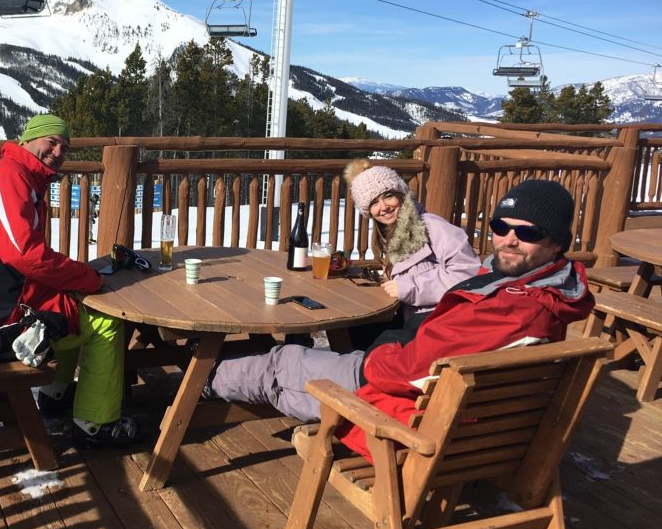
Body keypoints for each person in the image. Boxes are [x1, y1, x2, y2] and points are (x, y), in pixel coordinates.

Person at [208, 179, 595, 459]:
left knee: (284, 361)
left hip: (408, 418)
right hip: (452, 408)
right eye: (499, 228)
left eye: (526, 233)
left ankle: (200, 383)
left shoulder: (512, 310)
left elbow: (408, 369)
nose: (508, 240)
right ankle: (213, 377)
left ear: (557, 241)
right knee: (302, 366)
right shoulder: (547, 294)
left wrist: (380, 355)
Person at [0, 114, 140, 449]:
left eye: (65, 146)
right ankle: (96, 424)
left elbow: (20, 257)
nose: (59, 151)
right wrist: (86, 276)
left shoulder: (23, 178)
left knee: (74, 298)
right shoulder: (8, 178)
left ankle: (55, 396)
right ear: (28, 140)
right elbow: (24, 253)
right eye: (52, 142)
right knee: (104, 317)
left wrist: (76, 277)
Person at [342, 159, 481, 349]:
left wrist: (411, 288)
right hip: (413, 317)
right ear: (368, 212)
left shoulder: (431, 226)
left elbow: (469, 274)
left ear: (402, 194)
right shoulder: (392, 234)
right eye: (374, 203)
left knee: (368, 342)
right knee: (353, 326)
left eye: (388, 196)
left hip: (440, 322)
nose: (383, 207)